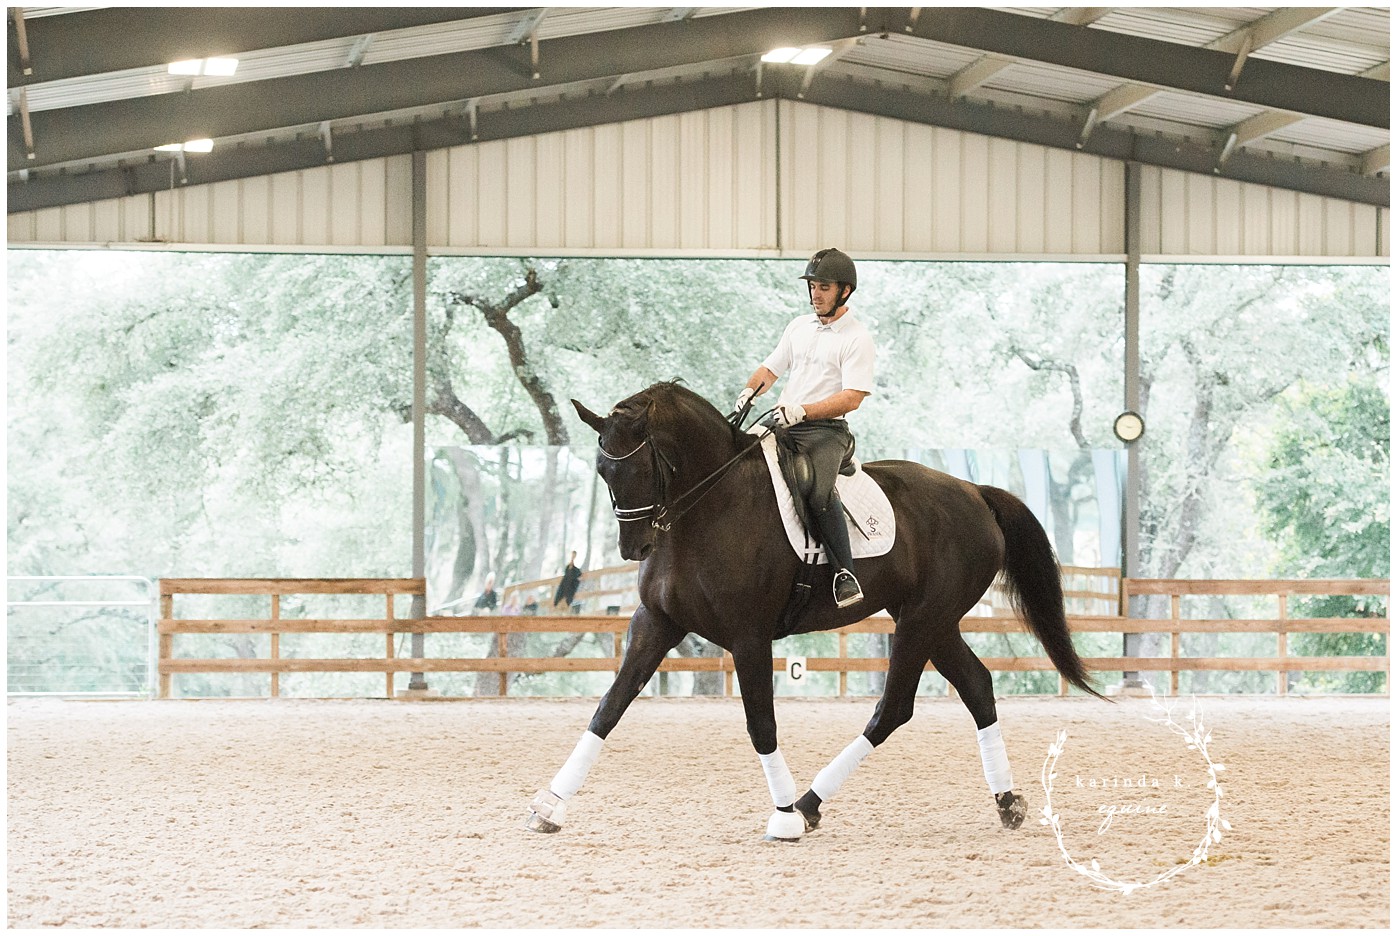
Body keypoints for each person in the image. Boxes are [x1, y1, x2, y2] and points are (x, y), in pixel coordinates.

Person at [735, 248, 874, 609]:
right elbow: (770, 370)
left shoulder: (857, 338)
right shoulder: (798, 326)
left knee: (817, 491)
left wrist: (804, 411)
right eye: (812, 286)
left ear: (844, 291)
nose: (816, 294)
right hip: (784, 421)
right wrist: (749, 391)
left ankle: (845, 574)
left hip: (826, 431)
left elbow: (852, 398)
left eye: (824, 287)